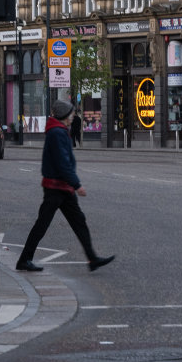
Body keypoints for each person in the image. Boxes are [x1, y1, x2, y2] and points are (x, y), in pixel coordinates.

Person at [14, 99, 114, 274]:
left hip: (62, 187)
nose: (73, 116)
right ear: (64, 115)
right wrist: (77, 184)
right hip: (56, 188)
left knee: (78, 222)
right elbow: (63, 163)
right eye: (71, 113)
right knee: (42, 225)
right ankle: (24, 260)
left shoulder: (58, 131)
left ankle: (92, 258)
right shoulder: (57, 133)